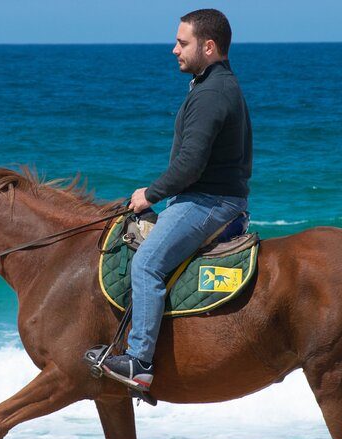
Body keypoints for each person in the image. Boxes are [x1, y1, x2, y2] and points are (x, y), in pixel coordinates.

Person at [101, 8, 253, 391]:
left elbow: (189, 165)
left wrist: (148, 194)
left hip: (208, 201)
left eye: (182, 43)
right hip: (212, 196)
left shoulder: (212, 94)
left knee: (147, 266)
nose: (174, 49)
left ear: (209, 46)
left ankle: (139, 362)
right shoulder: (214, 86)